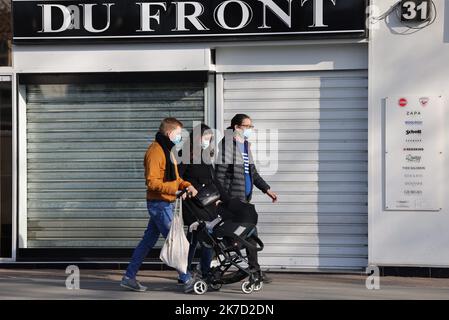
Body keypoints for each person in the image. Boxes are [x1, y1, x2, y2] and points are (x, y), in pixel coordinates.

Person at [120, 118, 198, 292]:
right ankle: (186, 279)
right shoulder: (155, 152)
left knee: (147, 242)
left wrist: (186, 185)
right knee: (175, 241)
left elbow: (175, 178)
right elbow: (152, 182)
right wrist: (174, 190)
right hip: (159, 204)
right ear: (170, 133)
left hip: (164, 203)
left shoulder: (168, 150)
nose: (180, 137)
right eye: (178, 134)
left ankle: (128, 277)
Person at [215, 114, 278, 283]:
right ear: (236, 127)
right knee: (244, 236)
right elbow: (219, 176)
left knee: (249, 235)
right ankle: (250, 270)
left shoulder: (245, 146)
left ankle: (252, 270)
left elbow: (253, 173)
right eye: (247, 126)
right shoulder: (227, 146)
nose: (250, 129)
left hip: (244, 200)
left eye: (251, 126)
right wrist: (223, 199)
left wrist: (266, 189)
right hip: (233, 201)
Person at [178, 123, 230, 282]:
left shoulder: (206, 156)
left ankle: (190, 270)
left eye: (210, 138)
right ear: (197, 137)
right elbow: (178, 177)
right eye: (205, 137)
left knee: (196, 239)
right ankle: (199, 271)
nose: (208, 140)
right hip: (193, 203)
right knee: (205, 236)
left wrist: (226, 199)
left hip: (208, 204)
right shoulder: (185, 154)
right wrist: (188, 188)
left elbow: (214, 180)